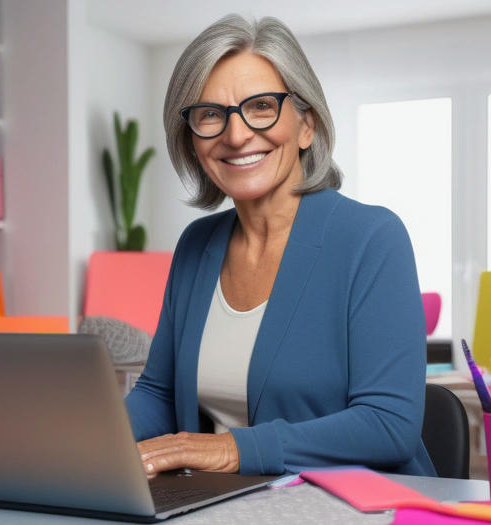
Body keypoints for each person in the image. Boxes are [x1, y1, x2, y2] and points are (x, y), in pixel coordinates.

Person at [125, 14, 436, 479]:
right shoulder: (196, 245)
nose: (236, 134)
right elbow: (160, 394)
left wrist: (232, 449)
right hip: (220, 511)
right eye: (210, 114)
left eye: (262, 106)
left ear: (306, 125)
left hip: (360, 516)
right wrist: (80, 439)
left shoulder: (372, 238)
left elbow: (389, 425)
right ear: (191, 141)